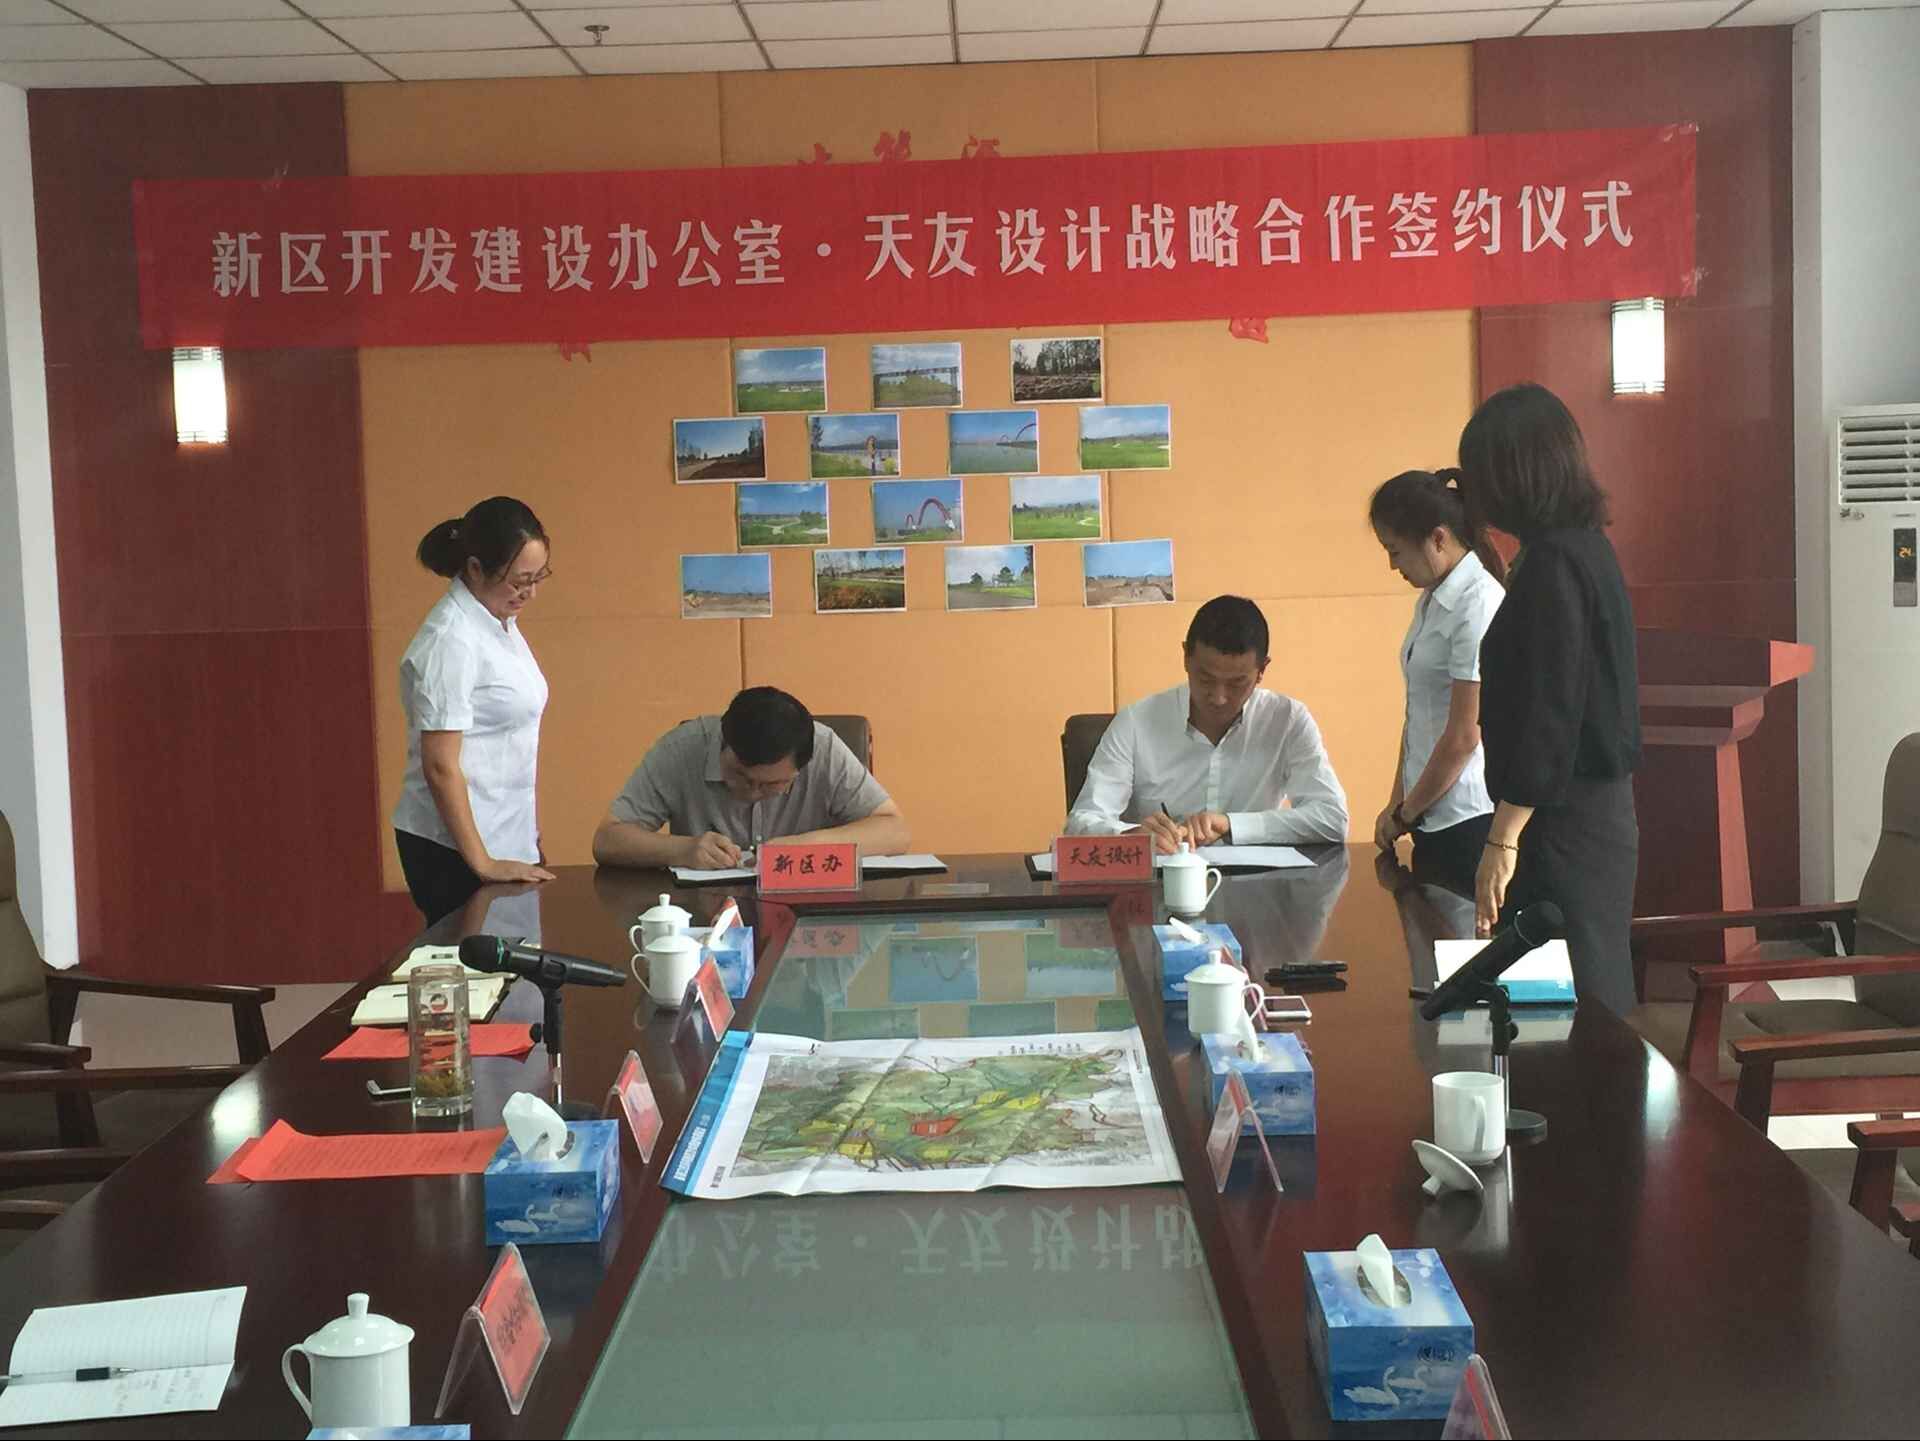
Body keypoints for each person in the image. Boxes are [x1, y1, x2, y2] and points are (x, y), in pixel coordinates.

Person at [1458, 383, 1641, 1015]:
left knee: (1578, 992)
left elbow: (1550, 713)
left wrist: (1501, 839)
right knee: (1573, 986)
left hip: (1565, 816)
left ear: (1513, 474)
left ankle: (1607, 1086)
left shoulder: (1555, 563)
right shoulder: (1580, 548)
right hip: (1583, 810)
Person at [1065, 595, 1348, 853]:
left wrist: (1232, 825)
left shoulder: (1287, 720)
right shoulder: (1136, 722)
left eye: (1237, 683)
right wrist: (1131, 836)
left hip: (1257, 886)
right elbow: (1080, 823)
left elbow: (1332, 818)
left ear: (1262, 670)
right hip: (1159, 884)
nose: (1219, 697)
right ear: (1185, 657)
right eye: (1205, 679)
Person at [392, 496, 556, 925]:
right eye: (519, 581)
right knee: (475, 962)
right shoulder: (450, 639)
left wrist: (525, 834)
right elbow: (440, 765)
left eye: (538, 577)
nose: (530, 592)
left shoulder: (499, 621)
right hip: (453, 847)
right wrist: (482, 862)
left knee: (519, 953)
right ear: (475, 569)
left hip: (503, 831)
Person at [1368, 470, 1507, 895]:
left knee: (1457, 934)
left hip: (1466, 818)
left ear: (1439, 539)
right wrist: (1397, 802)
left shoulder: (1477, 603)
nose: (1392, 565)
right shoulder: (1432, 597)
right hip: (1429, 814)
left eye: (1395, 551)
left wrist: (1406, 812)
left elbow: (1464, 736)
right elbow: (1419, 715)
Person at [592, 686, 910, 868]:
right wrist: (682, 850)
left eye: (772, 784)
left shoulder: (824, 748)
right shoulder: (682, 749)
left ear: (800, 767)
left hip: (809, 913)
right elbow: (608, 839)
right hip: (706, 917)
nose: (754, 792)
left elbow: (894, 831)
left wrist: (807, 846)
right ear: (722, 743)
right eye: (740, 777)